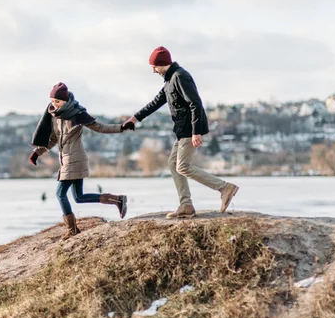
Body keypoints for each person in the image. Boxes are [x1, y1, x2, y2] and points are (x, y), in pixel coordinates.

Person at [123, 46, 239, 218]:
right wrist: (135, 118)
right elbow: (155, 102)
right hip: (182, 130)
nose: (153, 71)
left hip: (189, 130)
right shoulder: (169, 81)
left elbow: (195, 103)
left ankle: (224, 187)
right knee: (173, 164)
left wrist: (196, 131)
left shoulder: (180, 77)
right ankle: (186, 205)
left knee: (182, 166)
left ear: (162, 64)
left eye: (154, 67)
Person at [30, 82, 134, 240]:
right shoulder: (54, 116)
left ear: (65, 101)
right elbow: (53, 139)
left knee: (60, 194)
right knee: (79, 197)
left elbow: (100, 127)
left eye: (57, 101)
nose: (54, 104)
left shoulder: (77, 114)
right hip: (66, 160)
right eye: (52, 101)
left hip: (75, 158)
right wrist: (38, 152)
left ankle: (72, 230)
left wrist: (121, 127)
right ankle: (117, 199)